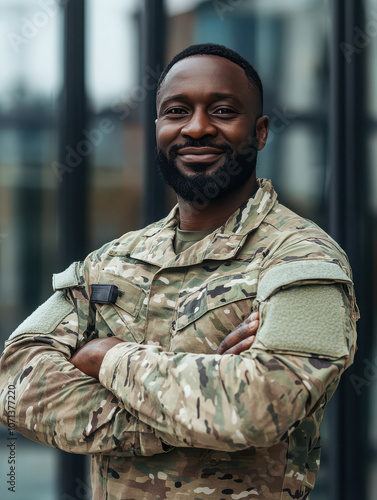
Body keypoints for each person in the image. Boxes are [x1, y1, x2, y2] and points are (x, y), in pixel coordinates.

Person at [0, 44, 358, 500]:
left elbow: (258, 409)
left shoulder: (301, 259)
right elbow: (13, 383)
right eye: (177, 111)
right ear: (158, 129)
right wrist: (188, 414)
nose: (197, 127)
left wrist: (107, 358)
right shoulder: (113, 260)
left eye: (223, 111)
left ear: (261, 131)